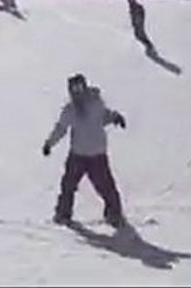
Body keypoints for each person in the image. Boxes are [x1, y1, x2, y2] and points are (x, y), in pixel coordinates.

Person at [42, 73, 127, 227]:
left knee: (105, 185)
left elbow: (103, 117)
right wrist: (50, 143)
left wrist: (115, 117)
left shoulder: (95, 103)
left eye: (80, 88)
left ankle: (114, 214)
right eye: (74, 89)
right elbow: (61, 128)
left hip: (97, 154)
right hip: (78, 154)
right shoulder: (70, 110)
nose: (77, 92)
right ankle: (63, 213)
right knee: (68, 185)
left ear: (85, 87)